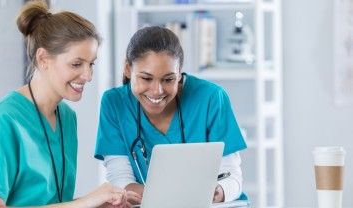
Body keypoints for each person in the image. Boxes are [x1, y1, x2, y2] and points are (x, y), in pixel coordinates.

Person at [0, 1, 132, 207]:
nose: (88, 76)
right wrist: (85, 202)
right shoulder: (2, 119)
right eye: (77, 64)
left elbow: (53, 203)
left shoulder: (67, 117)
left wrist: (99, 203)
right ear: (43, 58)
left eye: (91, 64)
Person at [94, 26, 248, 205]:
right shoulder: (114, 103)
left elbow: (232, 176)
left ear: (179, 72)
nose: (157, 91)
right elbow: (120, 179)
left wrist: (219, 191)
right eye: (146, 78)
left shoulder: (211, 98)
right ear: (128, 68)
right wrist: (173, 198)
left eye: (168, 80)